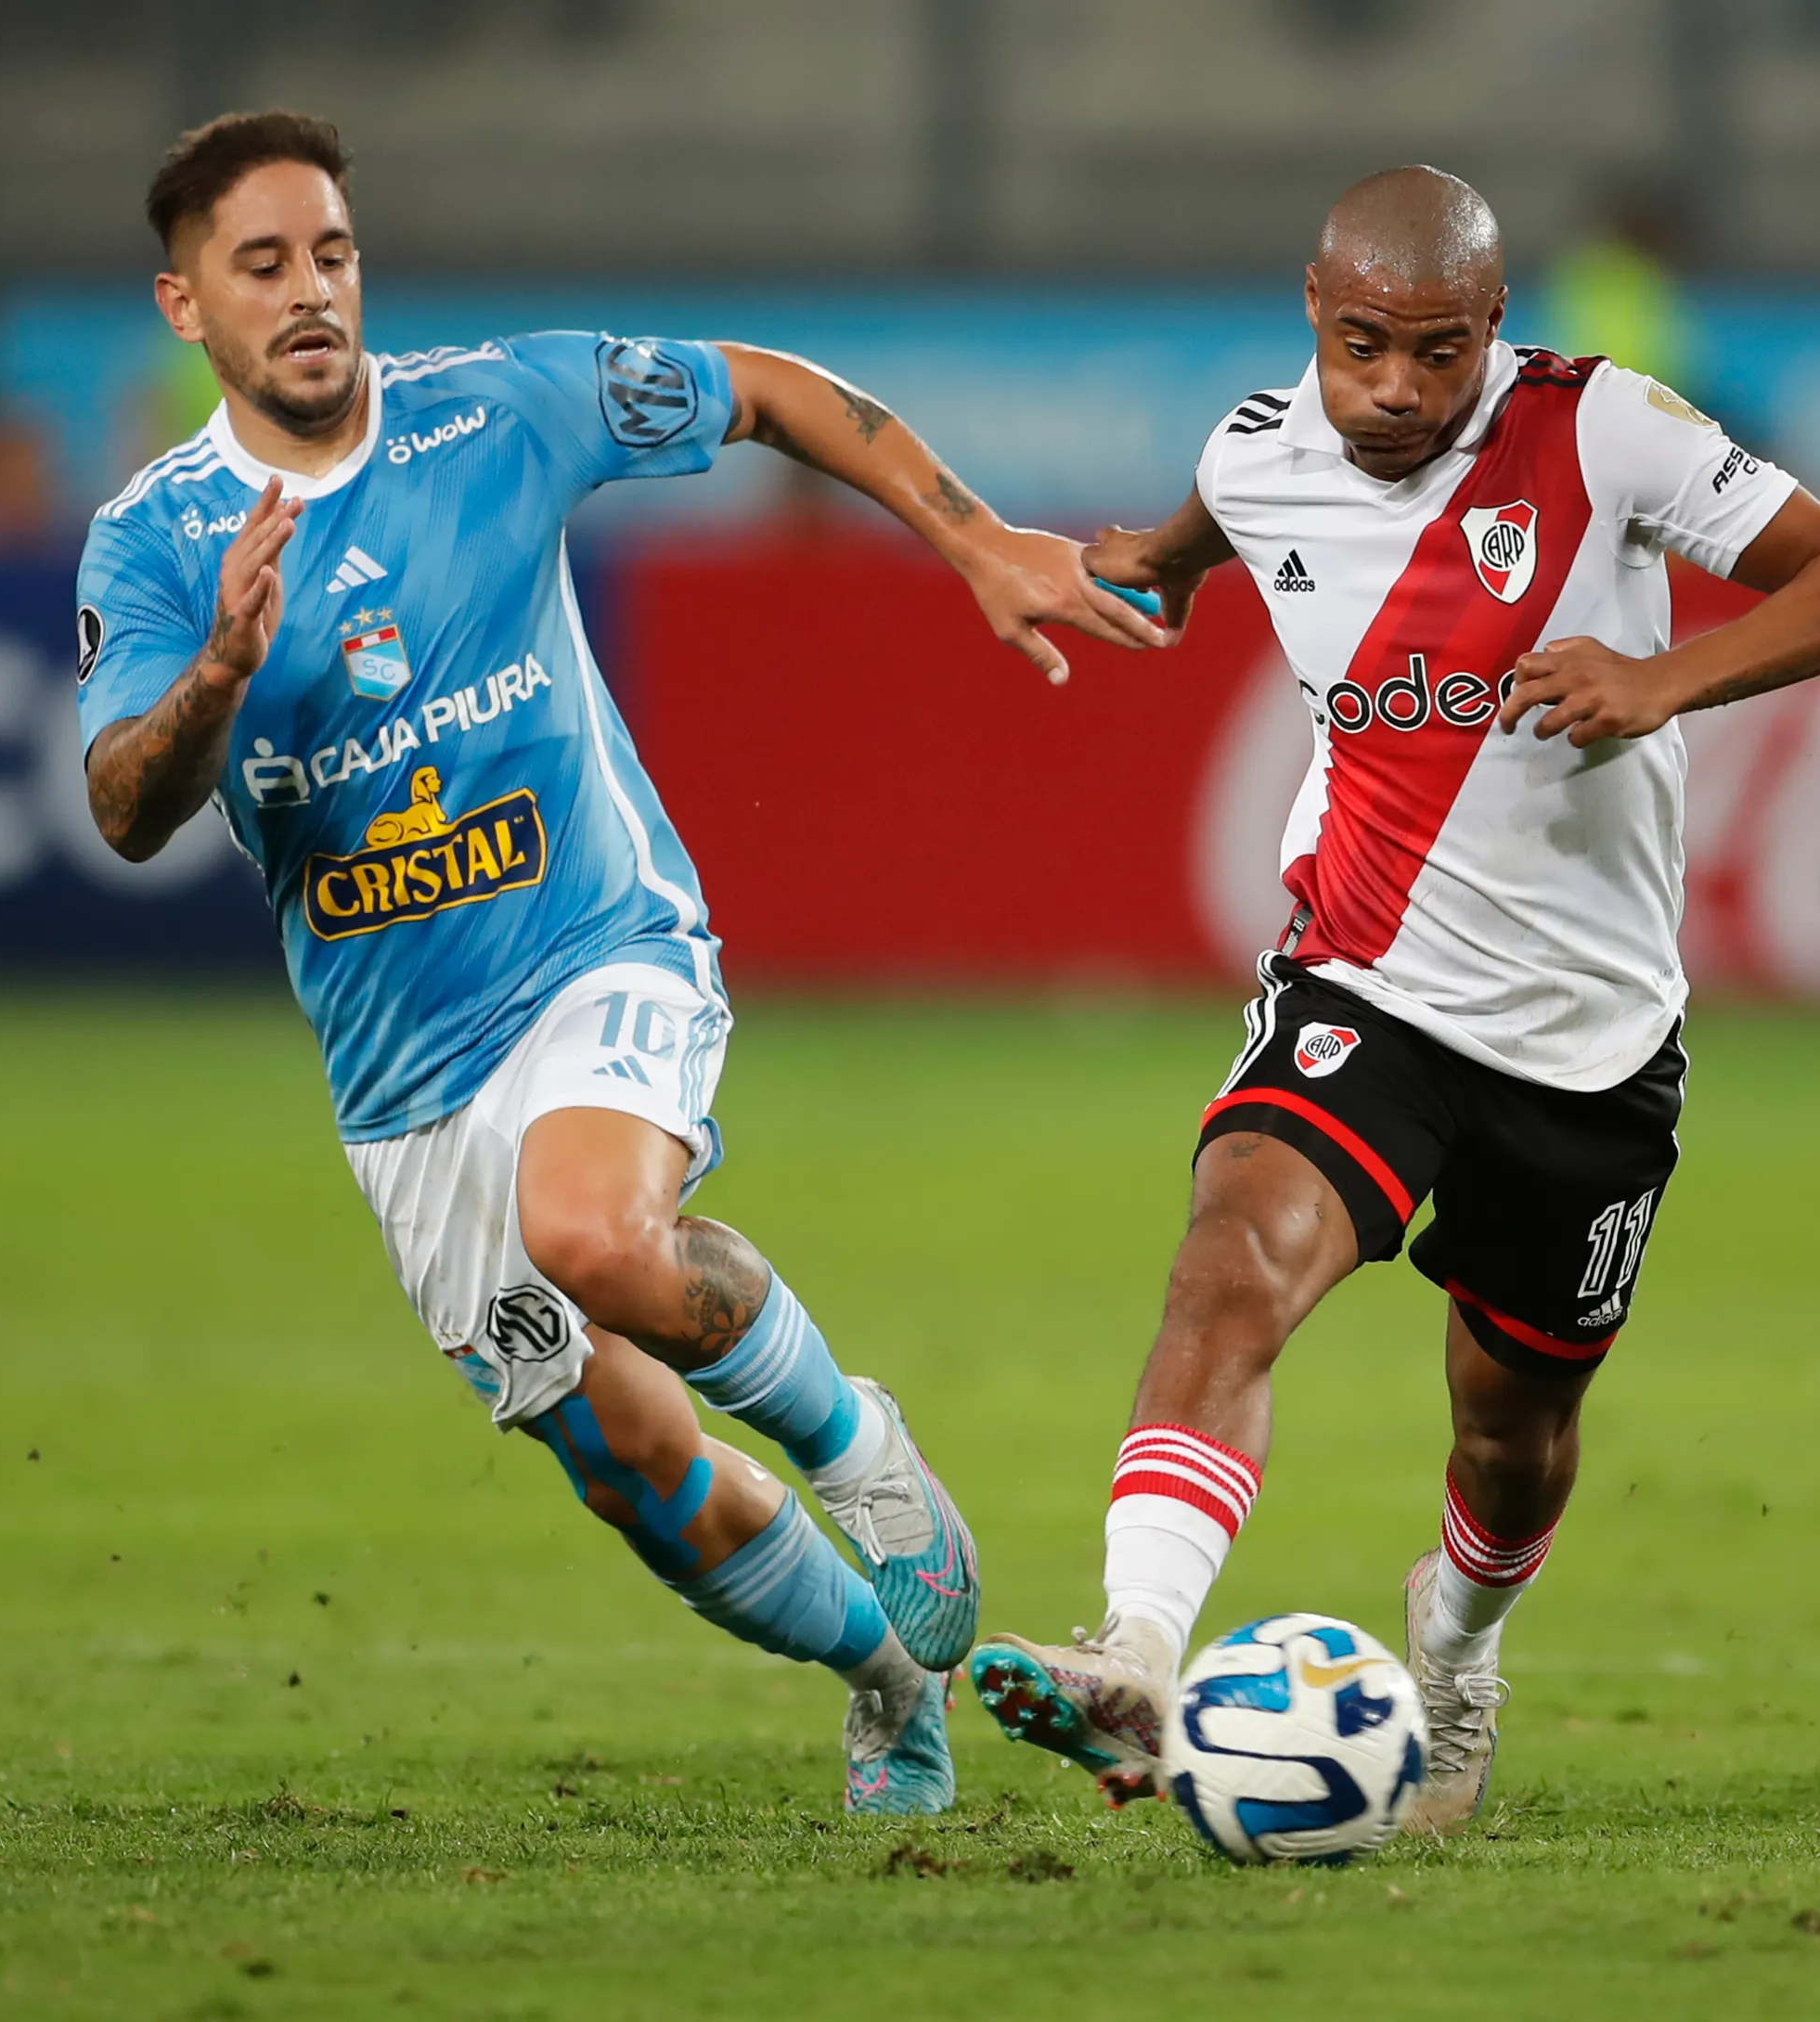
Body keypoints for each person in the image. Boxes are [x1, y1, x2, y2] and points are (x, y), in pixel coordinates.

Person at [74, 110, 1166, 1816]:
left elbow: (766, 388)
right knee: (633, 1463)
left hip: (598, 946)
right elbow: (127, 805)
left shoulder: (496, 409)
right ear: (182, 307)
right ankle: (883, 1679)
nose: (310, 293)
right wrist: (217, 673)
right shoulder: (154, 542)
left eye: (334, 254)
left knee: (593, 1231)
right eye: (262, 265)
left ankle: (855, 1448)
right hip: (401, 1079)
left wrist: (969, 537)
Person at [963, 166, 1820, 1834]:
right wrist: (1135, 574)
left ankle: (1457, 1655)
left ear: (1494, 330)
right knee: (1227, 1259)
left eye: (1438, 353)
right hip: (1367, 988)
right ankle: (1133, 1648)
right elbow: (1191, 548)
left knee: (1511, 1436)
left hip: (1588, 1043)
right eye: (1361, 348)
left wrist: (1654, 679)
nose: (1395, 389)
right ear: (1311, 315)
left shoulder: (1604, 429)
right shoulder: (1255, 451)